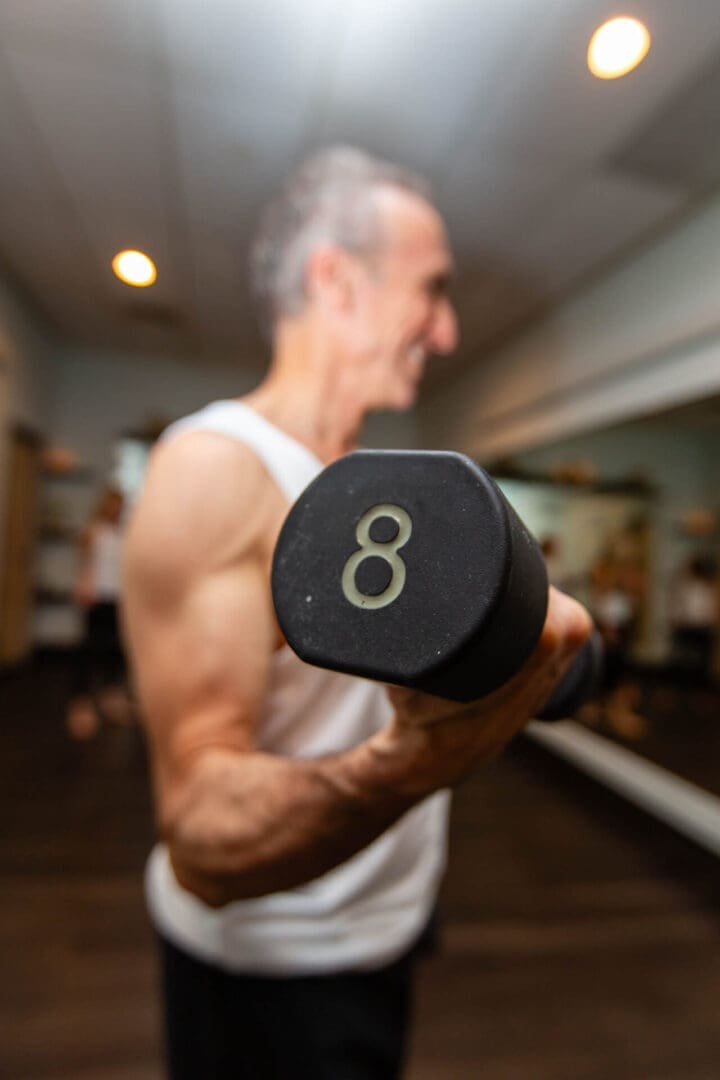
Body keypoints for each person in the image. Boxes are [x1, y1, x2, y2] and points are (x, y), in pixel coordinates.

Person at [122, 146, 590, 1079]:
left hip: (383, 926)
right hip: (270, 973)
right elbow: (201, 833)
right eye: (432, 290)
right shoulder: (215, 469)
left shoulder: (374, 490)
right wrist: (419, 761)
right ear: (336, 281)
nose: (447, 331)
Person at [66, 485, 133, 739]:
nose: (118, 510)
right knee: (89, 649)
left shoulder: (123, 534)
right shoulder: (94, 531)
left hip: (118, 598)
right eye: (115, 505)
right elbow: (84, 563)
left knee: (115, 650)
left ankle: (111, 699)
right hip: (97, 597)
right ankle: (80, 702)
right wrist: (83, 585)